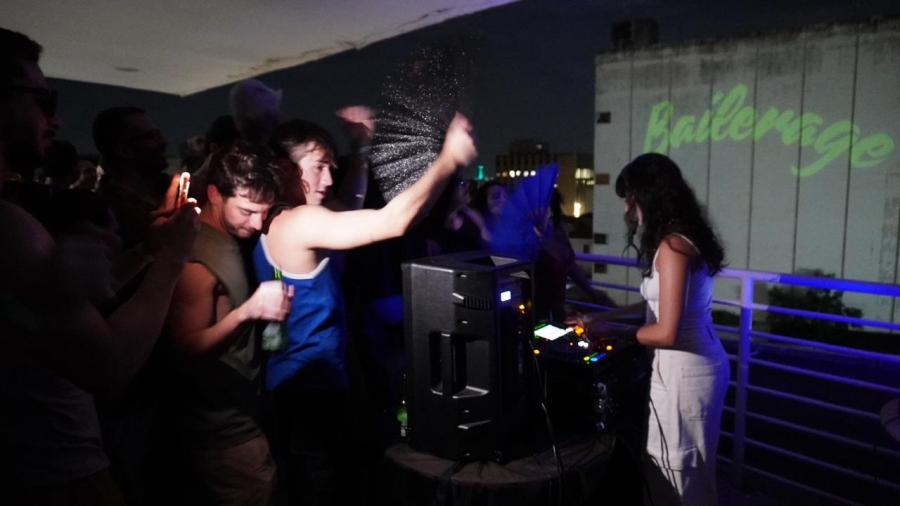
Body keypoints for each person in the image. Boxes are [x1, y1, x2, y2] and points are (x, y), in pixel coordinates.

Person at [0, 26, 199, 505]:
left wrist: (147, 250)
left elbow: (58, 311)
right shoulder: (8, 225)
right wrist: (172, 259)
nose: (56, 118)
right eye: (42, 100)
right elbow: (108, 367)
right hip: (54, 474)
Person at [254, 111, 476, 505]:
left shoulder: (284, 218)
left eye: (331, 167)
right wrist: (448, 157)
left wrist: (359, 148)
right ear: (284, 168)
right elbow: (390, 222)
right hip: (308, 391)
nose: (328, 179)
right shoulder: (296, 221)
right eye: (318, 167)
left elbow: (350, 203)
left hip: (304, 383)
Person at [567, 153, 729, 506]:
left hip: (684, 370)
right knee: (686, 470)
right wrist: (602, 318)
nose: (627, 208)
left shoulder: (672, 247)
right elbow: (658, 302)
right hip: (692, 366)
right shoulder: (680, 237)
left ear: (650, 195)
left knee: (676, 472)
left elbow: (667, 331)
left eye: (631, 198)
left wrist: (614, 331)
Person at [162, 141, 291, 504]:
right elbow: (183, 345)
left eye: (265, 211)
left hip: (242, 416)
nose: (258, 223)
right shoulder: (198, 259)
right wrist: (248, 311)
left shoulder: (227, 236)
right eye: (248, 210)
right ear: (215, 194)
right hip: (222, 432)